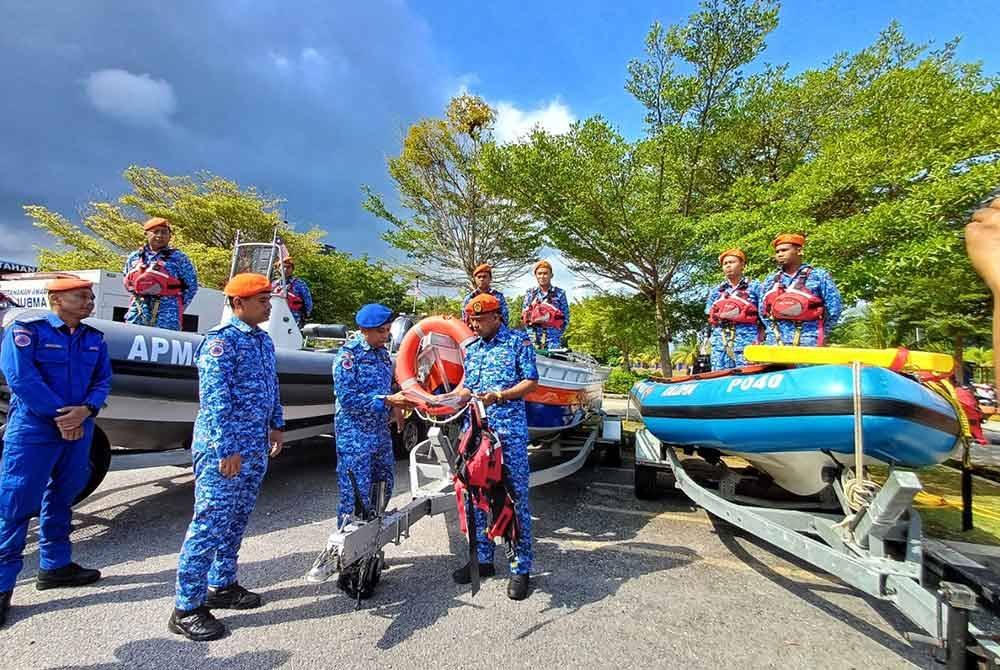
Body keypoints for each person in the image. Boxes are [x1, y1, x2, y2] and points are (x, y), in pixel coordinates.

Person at [169, 273, 284, 642]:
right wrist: (226, 449)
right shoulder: (221, 343)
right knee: (210, 524)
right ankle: (186, 606)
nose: (269, 306)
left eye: (269, 299)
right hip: (227, 450)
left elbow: (271, 386)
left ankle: (223, 584)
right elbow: (215, 400)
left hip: (254, 446)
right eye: (262, 300)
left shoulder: (263, 340)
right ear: (238, 304)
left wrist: (276, 424)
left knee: (236, 520)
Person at [0, 277, 112, 627]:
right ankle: (2, 587)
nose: (89, 302)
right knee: (15, 504)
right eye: (81, 296)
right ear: (56, 298)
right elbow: (21, 379)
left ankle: (55, 565)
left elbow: (103, 380)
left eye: (91, 297)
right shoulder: (27, 330)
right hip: (35, 427)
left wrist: (88, 409)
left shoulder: (94, 339)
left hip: (80, 425)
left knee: (63, 496)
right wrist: (62, 416)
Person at [449, 293, 538, 600]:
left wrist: (500, 396)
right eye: (472, 320)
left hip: (508, 433)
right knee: (474, 497)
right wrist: (447, 399)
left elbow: (531, 381)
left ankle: (520, 568)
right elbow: (467, 386)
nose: (474, 324)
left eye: (480, 319)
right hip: (474, 433)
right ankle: (482, 560)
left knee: (513, 498)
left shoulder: (518, 342)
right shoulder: (472, 349)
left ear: (497, 316)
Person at [332, 305, 412, 531]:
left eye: (388, 331)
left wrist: (397, 409)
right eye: (381, 331)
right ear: (363, 330)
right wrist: (388, 401)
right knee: (355, 496)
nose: (386, 336)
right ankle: (349, 558)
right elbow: (347, 399)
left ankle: (372, 547)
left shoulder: (383, 356)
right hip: (355, 436)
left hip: (380, 435)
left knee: (383, 486)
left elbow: (389, 386)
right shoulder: (349, 356)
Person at [759, 234, 843, 346]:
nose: (780, 254)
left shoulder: (818, 275)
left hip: (808, 340)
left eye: (784, 250)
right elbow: (763, 310)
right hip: (775, 340)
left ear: (799, 251)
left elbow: (834, 308)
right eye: (777, 252)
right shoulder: (771, 279)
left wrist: (822, 332)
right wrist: (771, 330)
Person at [123, 217, 198, 331]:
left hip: (167, 315)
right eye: (155, 232)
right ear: (146, 234)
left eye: (164, 232)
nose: (160, 236)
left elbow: (191, 286)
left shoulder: (179, 258)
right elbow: (128, 281)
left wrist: (177, 307)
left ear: (170, 236)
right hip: (138, 311)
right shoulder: (134, 257)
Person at [705, 248, 762, 369]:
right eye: (725, 264)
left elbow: (765, 315)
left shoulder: (755, 287)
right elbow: (709, 316)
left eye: (732, 262)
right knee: (719, 379)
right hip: (720, 346)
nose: (728, 266)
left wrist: (760, 339)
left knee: (747, 378)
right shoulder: (716, 291)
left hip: (746, 343)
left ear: (742, 265)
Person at [522, 260, 569, 350]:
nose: (542, 276)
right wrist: (530, 335)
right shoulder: (530, 293)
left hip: (553, 340)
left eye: (545, 273)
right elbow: (525, 316)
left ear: (551, 275)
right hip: (533, 338)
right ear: (535, 275)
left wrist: (556, 333)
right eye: (539, 273)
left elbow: (565, 317)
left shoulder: (560, 293)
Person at [274, 257, 313, 328]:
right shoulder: (274, 284)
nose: (285, 269)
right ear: (278, 269)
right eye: (283, 267)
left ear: (292, 269)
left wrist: (305, 316)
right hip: (276, 318)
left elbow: (308, 303)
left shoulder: (300, 284)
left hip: (294, 319)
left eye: (288, 267)